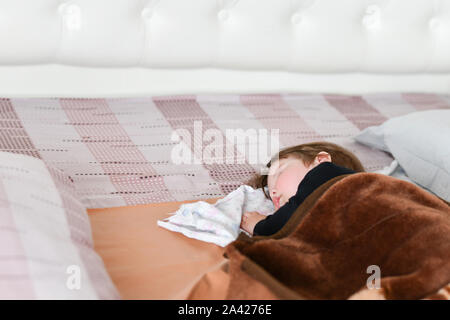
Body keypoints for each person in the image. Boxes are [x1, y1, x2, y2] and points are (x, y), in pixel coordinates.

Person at [241, 142, 365, 236]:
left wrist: (260, 226)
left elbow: (285, 223)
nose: (273, 192)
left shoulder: (326, 172)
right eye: (270, 191)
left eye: (279, 172)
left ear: (320, 160)